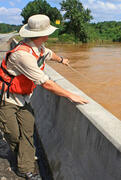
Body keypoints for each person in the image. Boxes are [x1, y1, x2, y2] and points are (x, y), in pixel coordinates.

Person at [0, 14, 88, 180]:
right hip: (6, 99)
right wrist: (71, 95)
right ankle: (24, 156)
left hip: (24, 98)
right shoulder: (23, 55)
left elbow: (49, 54)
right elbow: (46, 83)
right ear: (44, 35)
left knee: (27, 130)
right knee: (12, 134)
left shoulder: (39, 48)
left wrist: (62, 60)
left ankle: (24, 168)